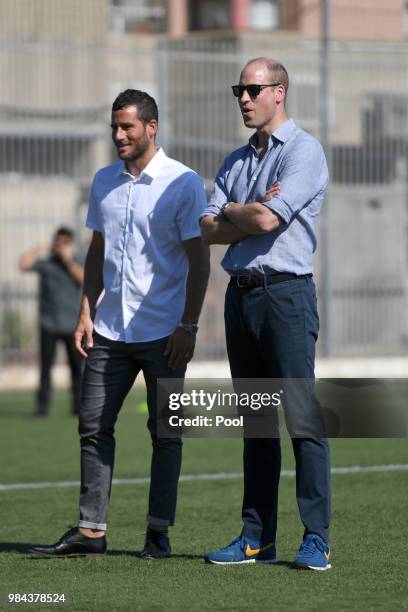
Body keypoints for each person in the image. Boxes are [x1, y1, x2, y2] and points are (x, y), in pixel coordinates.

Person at [30, 89, 210, 559]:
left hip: (165, 332)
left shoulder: (184, 182)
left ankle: (158, 531)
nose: (118, 135)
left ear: (151, 127)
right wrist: (87, 310)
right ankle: (92, 531)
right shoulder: (103, 181)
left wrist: (188, 325)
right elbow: (97, 249)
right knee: (92, 425)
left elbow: (199, 259)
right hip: (109, 328)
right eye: (114, 126)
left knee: (165, 432)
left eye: (127, 126)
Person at [201, 58, 331, 570]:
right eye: (239, 89)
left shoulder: (305, 151)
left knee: (302, 419)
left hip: (286, 296)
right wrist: (247, 209)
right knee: (256, 424)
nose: (243, 98)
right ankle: (256, 539)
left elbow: (260, 218)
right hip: (242, 296)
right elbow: (211, 230)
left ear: (279, 91)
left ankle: (316, 537)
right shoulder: (235, 160)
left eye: (253, 89)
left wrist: (242, 210)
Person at [19, 227, 84, 417]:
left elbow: (83, 279)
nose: (59, 246)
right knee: (45, 368)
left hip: (72, 324)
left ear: (70, 244)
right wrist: (38, 250)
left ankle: (78, 406)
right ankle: (42, 406)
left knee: (76, 369)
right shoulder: (47, 264)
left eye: (64, 242)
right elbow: (23, 265)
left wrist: (68, 260)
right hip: (49, 323)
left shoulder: (77, 262)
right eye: (57, 242)